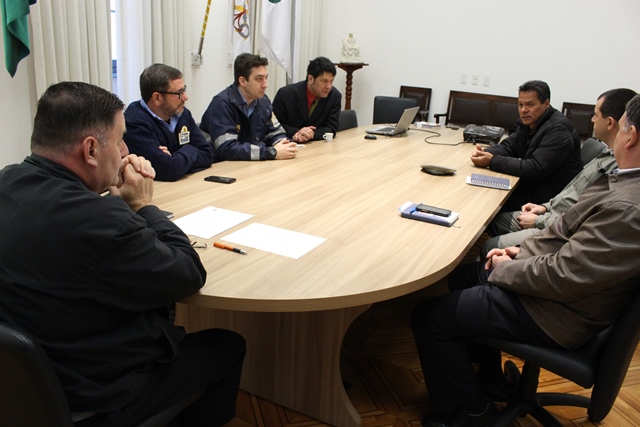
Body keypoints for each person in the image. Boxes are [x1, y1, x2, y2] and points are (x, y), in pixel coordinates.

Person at [0, 82, 245, 427]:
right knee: (227, 345)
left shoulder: (7, 181)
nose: (125, 149)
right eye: (119, 140)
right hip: (92, 398)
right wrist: (143, 205)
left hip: (19, 391)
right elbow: (188, 272)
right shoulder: (102, 222)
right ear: (90, 150)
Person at [411, 94, 640, 427]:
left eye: (621, 128)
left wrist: (509, 268)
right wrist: (519, 252)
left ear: (630, 136)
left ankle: (471, 412)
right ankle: (488, 381)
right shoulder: (625, 182)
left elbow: (565, 274)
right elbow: (566, 238)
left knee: (429, 318)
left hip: (557, 312)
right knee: (463, 278)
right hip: (559, 293)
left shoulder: (628, 207)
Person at [481, 88, 637, 254]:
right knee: (495, 220)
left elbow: (578, 217)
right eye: (520, 105)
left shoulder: (614, 169)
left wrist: (540, 219)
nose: (523, 110)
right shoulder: (605, 154)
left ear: (611, 123)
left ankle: (489, 270)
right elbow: (572, 194)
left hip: (555, 225)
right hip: (550, 210)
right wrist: (545, 207)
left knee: (489, 242)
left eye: (596, 115)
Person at [471, 80, 582, 212]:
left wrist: (492, 160)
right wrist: (485, 152)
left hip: (546, 200)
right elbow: (511, 146)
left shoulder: (558, 129)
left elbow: (535, 167)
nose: (523, 110)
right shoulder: (529, 121)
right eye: (520, 105)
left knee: (484, 203)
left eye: (530, 104)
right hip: (531, 187)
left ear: (546, 104)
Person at [124, 63, 214, 181]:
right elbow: (168, 170)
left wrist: (175, 157)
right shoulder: (134, 123)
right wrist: (190, 149)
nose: (185, 97)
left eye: (184, 90)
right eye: (179, 93)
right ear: (157, 98)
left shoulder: (182, 114)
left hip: (184, 185)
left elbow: (207, 154)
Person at [200, 53, 298, 161]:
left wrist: (284, 145)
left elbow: (275, 133)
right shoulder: (221, 104)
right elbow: (227, 149)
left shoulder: (263, 101)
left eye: (266, 78)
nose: (265, 85)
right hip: (221, 168)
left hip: (250, 164)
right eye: (259, 79)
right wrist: (271, 152)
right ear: (242, 81)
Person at [272, 56, 342, 143]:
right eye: (324, 81)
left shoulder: (334, 96)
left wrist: (308, 135)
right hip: (287, 144)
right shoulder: (285, 94)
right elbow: (274, 126)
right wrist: (296, 132)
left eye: (331, 81)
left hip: (317, 147)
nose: (329, 86)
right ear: (311, 79)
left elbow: (331, 128)